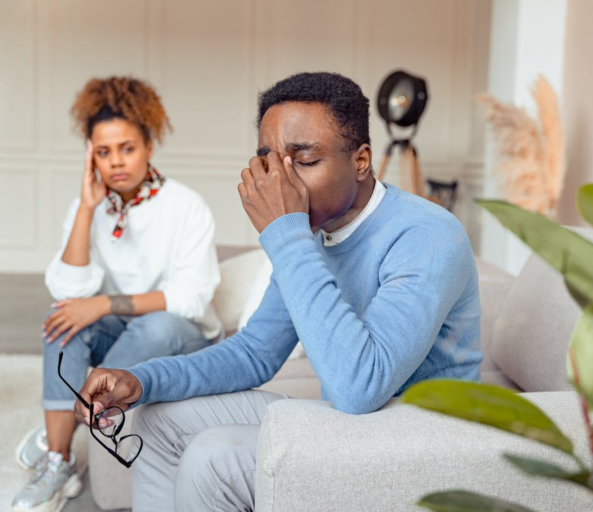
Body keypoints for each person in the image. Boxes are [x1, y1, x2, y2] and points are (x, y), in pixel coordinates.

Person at [73, 72, 482, 511]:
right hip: (352, 423)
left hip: (417, 439)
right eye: (269, 161)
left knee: (214, 458)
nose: (282, 182)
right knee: (158, 419)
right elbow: (254, 352)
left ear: (361, 161)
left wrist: (286, 236)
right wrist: (142, 378)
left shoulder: (427, 235)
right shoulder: (316, 231)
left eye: (304, 160)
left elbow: (359, 387)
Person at [12, 77, 222, 512]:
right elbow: (68, 289)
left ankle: (67, 421)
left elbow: (190, 298)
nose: (116, 162)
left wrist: (105, 303)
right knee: (64, 317)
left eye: (127, 148)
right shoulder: (87, 207)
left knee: (156, 324)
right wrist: (88, 208)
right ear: (90, 155)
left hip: (182, 340)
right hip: (121, 338)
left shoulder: (185, 206)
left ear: (149, 144)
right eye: (103, 152)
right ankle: (59, 459)